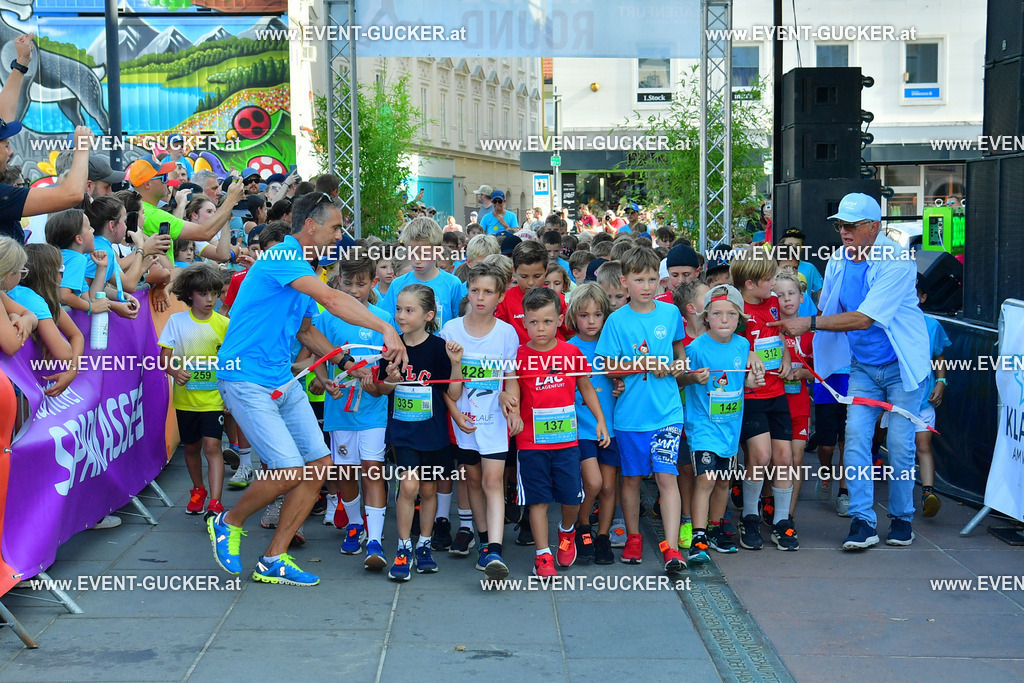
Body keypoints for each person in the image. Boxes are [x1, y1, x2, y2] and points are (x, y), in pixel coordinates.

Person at [207, 193, 407, 587]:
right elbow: (333, 300)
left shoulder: (302, 269)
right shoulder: (283, 256)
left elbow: (306, 331)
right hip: (246, 378)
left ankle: (273, 559)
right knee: (288, 470)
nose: (339, 235)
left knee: (319, 466)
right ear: (310, 226)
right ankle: (227, 521)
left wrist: (346, 365)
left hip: (278, 377)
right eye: (335, 227)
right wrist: (386, 328)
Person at [772, 193, 930, 550]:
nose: (843, 231)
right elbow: (826, 306)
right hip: (862, 366)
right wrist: (787, 323)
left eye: (851, 225)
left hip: (903, 368)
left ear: (874, 227)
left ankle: (902, 518)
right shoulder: (839, 259)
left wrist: (806, 323)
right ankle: (862, 519)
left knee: (900, 445)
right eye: (840, 224)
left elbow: (863, 319)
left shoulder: (896, 260)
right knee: (857, 439)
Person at [597, 246, 691, 572]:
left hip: (667, 413)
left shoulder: (670, 314)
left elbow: (680, 354)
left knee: (667, 477)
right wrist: (640, 364)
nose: (647, 286)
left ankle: (672, 548)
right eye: (639, 279)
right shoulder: (615, 321)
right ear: (624, 282)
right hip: (630, 417)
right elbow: (606, 366)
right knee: (633, 479)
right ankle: (634, 535)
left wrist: (678, 367)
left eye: (652, 279)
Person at [365, 284, 463, 581]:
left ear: (428, 315)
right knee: (409, 486)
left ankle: (424, 543)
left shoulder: (438, 349)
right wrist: (392, 380)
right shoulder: (392, 348)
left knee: (429, 489)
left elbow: (454, 394)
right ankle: (403, 546)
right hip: (403, 431)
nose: (401, 316)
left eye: (409, 310)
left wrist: (456, 364)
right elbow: (380, 390)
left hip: (433, 432)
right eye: (398, 309)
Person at [512, 287, 609, 577]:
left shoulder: (571, 352)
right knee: (538, 500)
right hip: (531, 442)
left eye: (547, 321)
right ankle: (542, 555)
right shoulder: (519, 355)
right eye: (533, 322)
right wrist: (513, 410)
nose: (540, 328)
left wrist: (600, 420)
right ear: (524, 322)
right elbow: (512, 388)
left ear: (560, 319)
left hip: (567, 441)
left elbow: (586, 387)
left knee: (572, 497)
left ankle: (566, 531)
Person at [311, 254, 394, 570]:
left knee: (372, 469)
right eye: (348, 283)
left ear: (373, 283)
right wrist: (323, 381)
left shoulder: (382, 319)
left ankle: (374, 539)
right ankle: (355, 524)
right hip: (339, 409)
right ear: (337, 283)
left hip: (372, 409)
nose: (355, 290)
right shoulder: (327, 319)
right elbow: (313, 356)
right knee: (345, 471)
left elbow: (390, 368)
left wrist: (382, 381)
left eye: (362, 283)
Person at [439, 263, 521, 580]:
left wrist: (511, 406)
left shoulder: (506, 333)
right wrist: (456, 413)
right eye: (475, 290)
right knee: (472, 481)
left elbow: (511, 378)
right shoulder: (451, 329)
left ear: (500, 296)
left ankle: (496, 549)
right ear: (468, 291)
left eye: (488, 292)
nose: (480, 297)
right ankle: (484, 540)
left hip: (494, 421)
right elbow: (447, 385)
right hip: (465, 422)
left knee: (492, 482)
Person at [684, 284, 763, 563]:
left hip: (730, 428)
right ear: (706, 317)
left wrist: (754, 380)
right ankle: (698, 535)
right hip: (703, 426)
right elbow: (678, 377)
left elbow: (747, 381)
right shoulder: (695, 348)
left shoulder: (743, 345)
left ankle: (716, 528)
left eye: (731, 314)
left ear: (739, 317)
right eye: (717, 314)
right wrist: (693, 378)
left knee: (722, 482)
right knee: (705, 479)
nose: (725, 320)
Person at [730, 246, 797, 551]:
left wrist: (784, 355)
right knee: (760, 456)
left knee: (784, 458)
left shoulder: (772, 304)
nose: (775, 285)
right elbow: (726, 341)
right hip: (751, 394)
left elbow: (778, 332)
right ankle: (750, 516)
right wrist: (749, 352)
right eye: (769, 279)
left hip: (777, 391)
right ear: (749, 284)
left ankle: (783, 521)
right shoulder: (735, 309)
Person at [159, 263, 229, 517]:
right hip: (186, 399)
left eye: (214, 293)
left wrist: (228, 394)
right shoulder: (176, 322)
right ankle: (198, 490)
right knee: (191, 448)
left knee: (212, 446)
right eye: (203, 294)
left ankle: (216, 501)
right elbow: (163, 358)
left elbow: (232, 363)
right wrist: (176, 372)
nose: (210, 299)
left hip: (213, 399)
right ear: (190, 295)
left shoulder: (224, 324)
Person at [564, 282, 619, 564]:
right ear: (574, 316)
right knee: (594, 483)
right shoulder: (567, 349)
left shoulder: (613, 344)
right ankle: (582, 524)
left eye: (597, 314)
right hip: (582, 426)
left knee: (609, 487)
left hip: (612, 425)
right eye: (584, 315)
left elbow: (624, 377)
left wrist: (621, 384)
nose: (591, 321)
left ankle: (603, 536)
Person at [131, 154, 244, 264]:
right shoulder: (153, 214)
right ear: (147, 184)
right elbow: (205, 232)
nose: (168, 181)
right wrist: (231, 199)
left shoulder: (143, 209)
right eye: (164, 177)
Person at [774, 268, 815, 523]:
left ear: (802, 297)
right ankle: (770, 503)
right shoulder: (770, 328)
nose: (787, 299)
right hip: (774, 403)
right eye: (780, 295)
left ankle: (787, 515)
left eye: (792, 293)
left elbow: (821, 372)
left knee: (796, 460)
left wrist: (802, 374)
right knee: (775, 460)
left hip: (800, 404)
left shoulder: (812, 331)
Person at [15, 244, 84, 396]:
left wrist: (72, 371)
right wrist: (72, 367)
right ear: (48, 275)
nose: (62, 278)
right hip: (16, 384)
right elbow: (64, 353)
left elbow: (76, 335)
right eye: (61, 271)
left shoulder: (42, 298)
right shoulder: (30, 299)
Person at [672, 279, 710, 551]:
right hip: (683, 414)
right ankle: (687, 518)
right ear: (691, 308)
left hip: (712, 416)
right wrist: (689, 378)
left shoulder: (719, 331)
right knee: (685, 468)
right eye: (707, 298)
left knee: (709, 471)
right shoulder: (678, 339)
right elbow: (671, 379)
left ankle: (709, 521)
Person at [379, 218, 466, 331]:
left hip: (440, 347)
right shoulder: (397, 284)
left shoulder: (453, 284)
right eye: (412, 253)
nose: (417, 260)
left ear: (437, 252)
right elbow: (386, 320)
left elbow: (460, 320)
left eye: (424, 254)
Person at [495, 240, 572, 345]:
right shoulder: (504, 299)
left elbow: (570, 335)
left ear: (546, 270)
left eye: (537, 276)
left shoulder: (558, 300)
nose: (531, 283)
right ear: (514, 271)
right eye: (524, 276)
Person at [777, 228, 824, 317]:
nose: (794, 247)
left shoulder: (810, 267)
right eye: (789, 244)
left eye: (798, 245)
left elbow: (820, 291)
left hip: (804, 311)